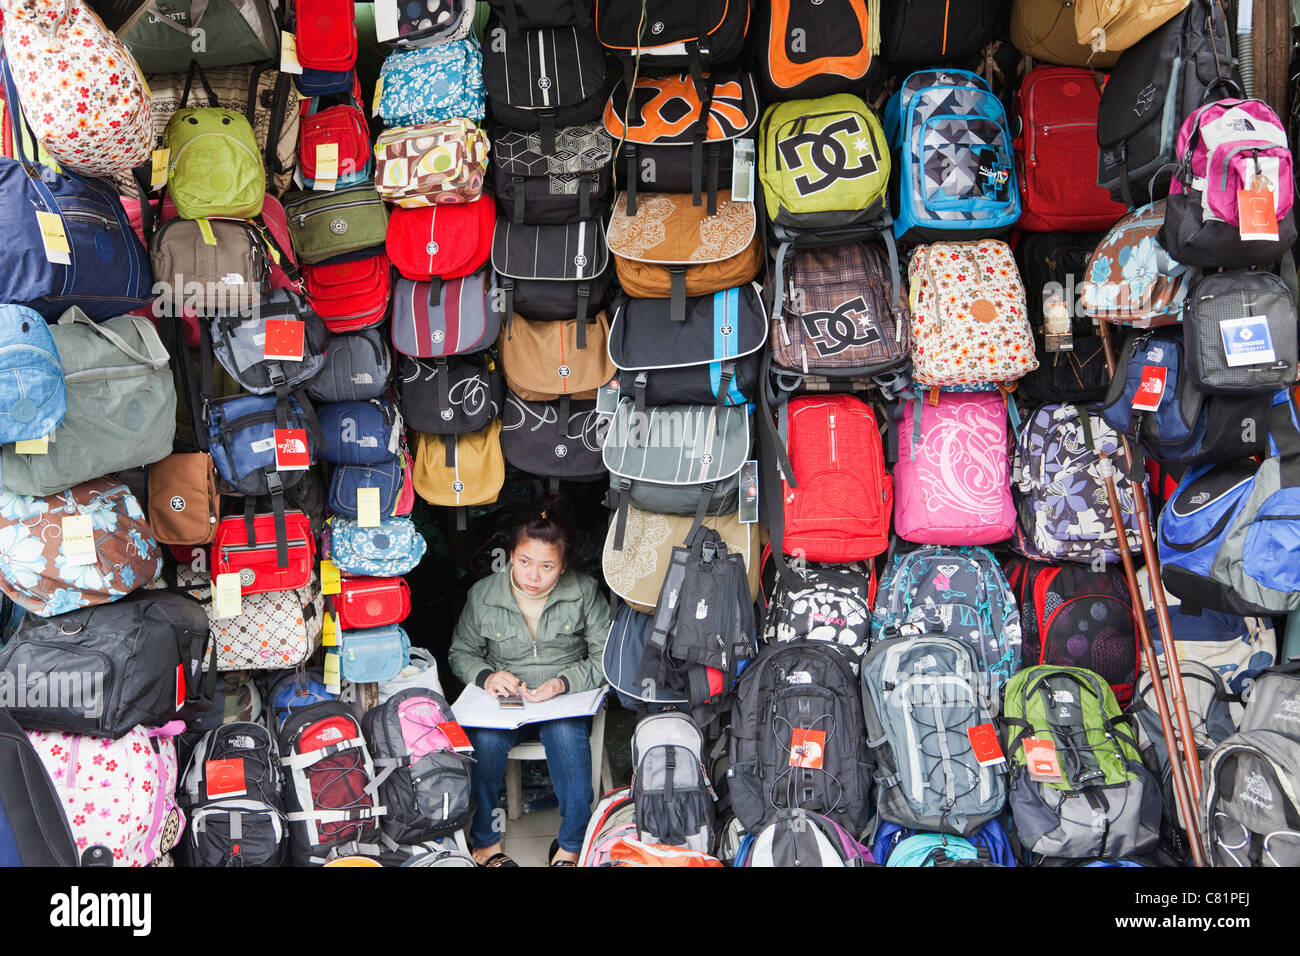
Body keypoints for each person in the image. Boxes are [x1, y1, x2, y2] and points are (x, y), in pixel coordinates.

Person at [449, 499, 611, 867]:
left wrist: (564, 683)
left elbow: (605, 657)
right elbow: (461, 652)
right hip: (506, 703)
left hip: (562, 701)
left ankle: (570, 847)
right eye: (524, 562)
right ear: (510, 555)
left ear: (563, 566)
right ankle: (486, 844)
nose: (533, 576)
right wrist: (487, 676)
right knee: (483, 745)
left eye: (547, 566)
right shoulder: (484, 595)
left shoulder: (584, 592)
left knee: (569, 744)